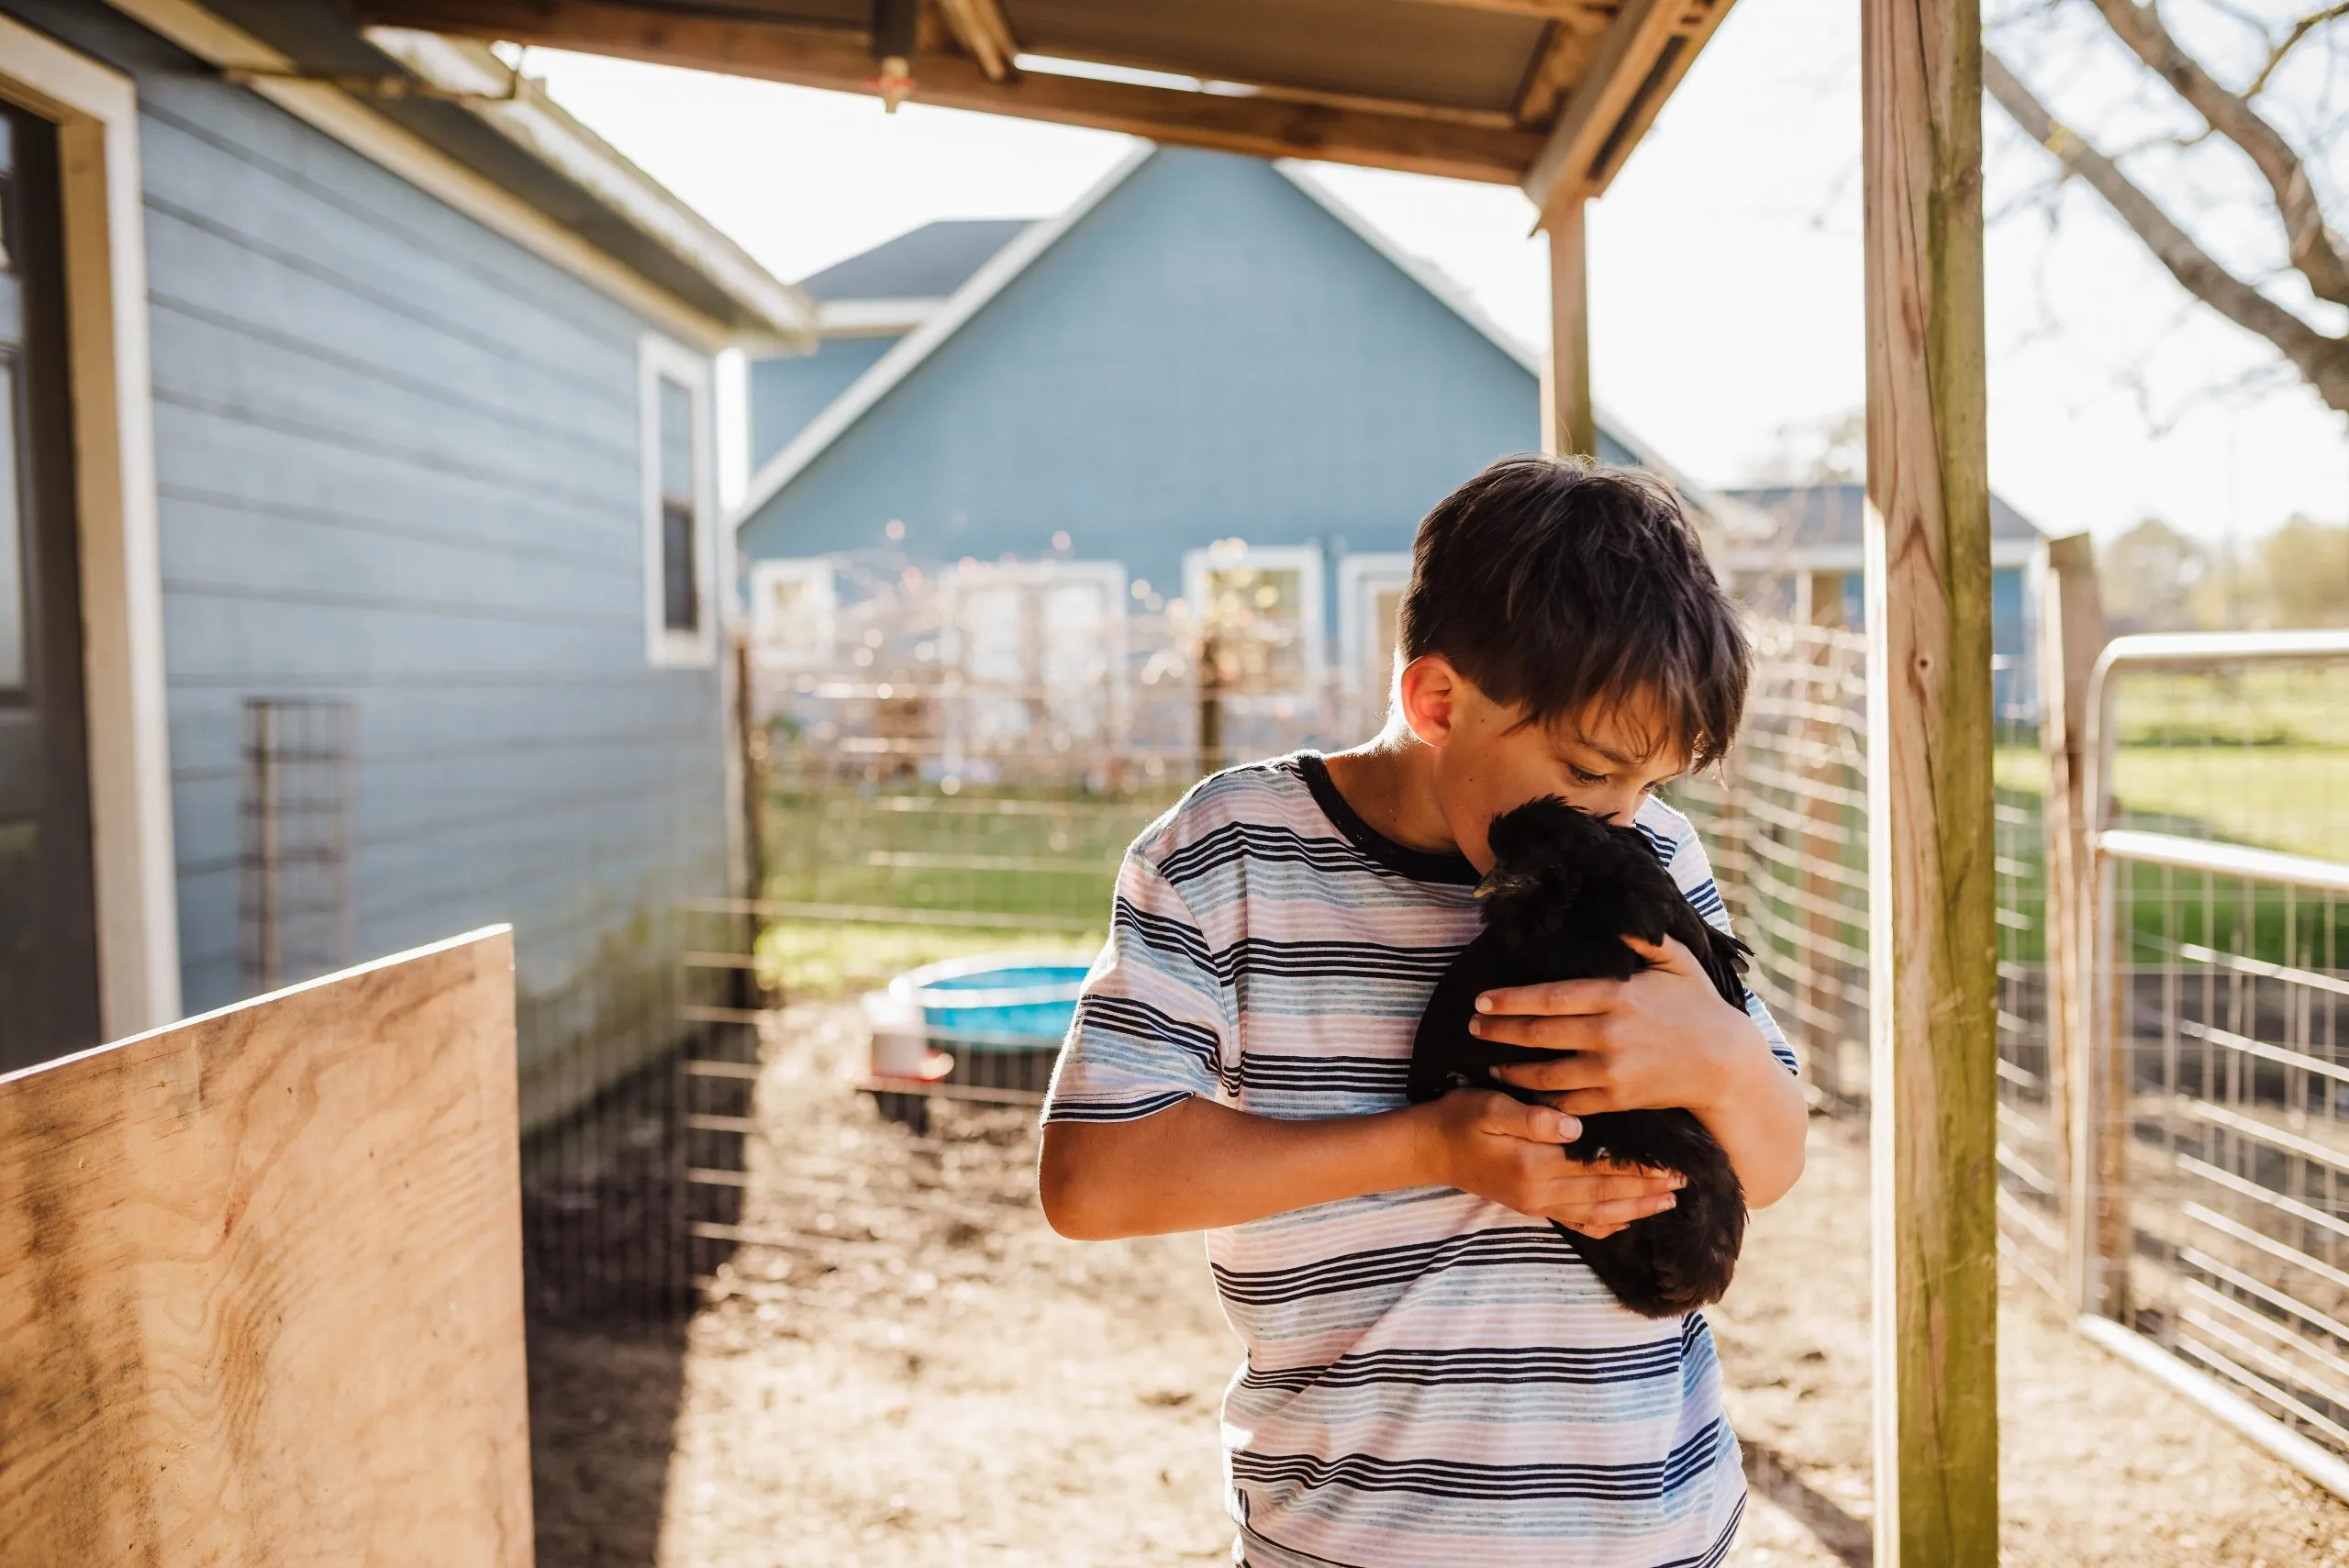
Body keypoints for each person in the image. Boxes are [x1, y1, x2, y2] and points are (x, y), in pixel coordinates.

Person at [1036, 454, 1809, 1568]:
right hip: (1357, 1536)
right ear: (1437, 701)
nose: (1620, 820)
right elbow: (1091, 1180)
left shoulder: (1654, 856)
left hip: (1651, 1527)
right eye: (1589, 770)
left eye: (1650, 787)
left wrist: (1722, 1059)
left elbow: (1772, 1164)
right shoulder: (1230, 855)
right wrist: (1431, 1145)